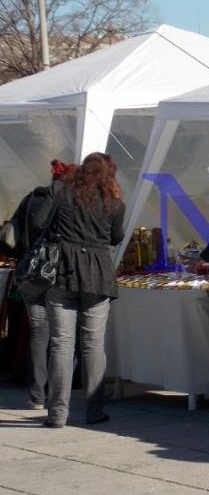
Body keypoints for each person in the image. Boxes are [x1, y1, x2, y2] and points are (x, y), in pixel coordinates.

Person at [32, 153, 125, 427]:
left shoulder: (62, 192)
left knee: (61, 344)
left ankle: (57, 413)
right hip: (98, 275)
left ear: (83, 170)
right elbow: (116, 237)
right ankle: (94, 411)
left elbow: (38, 222)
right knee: (93, 345)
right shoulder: (114, 203)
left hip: (62, 271)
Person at [6, 160, 76, 410]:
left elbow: (11, 233)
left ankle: (36, 394)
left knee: (38, 332)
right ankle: (58, 392)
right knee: (61, 335)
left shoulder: (30, 198)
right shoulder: (68, 201)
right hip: (57, 272)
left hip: (29, 272)